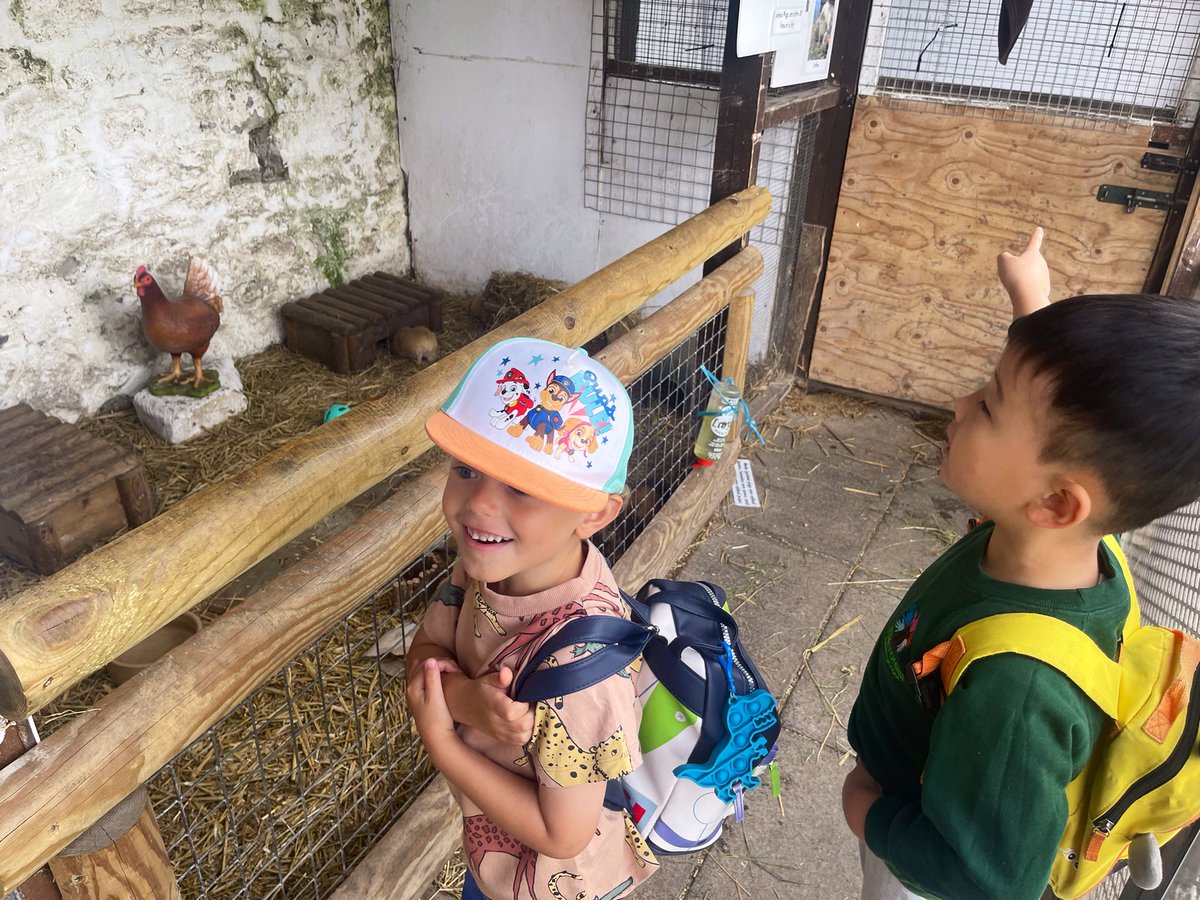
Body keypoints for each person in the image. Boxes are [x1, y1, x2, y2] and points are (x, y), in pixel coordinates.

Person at [842, 227, 1200, 899]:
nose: (959, 402)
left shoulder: (1018, 692)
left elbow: (990, 879)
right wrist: (1031, 300)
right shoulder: (1083, 545)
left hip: (924, 858)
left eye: (987, 404)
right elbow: (1058, 406)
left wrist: (867, 810)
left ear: (1056, 503)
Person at [406, 336, 657, 900]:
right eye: (467, 470)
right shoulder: (485, 563)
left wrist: (441, 741)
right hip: (494, 859)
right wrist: (466, 701)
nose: (479, 506)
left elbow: (562, 834)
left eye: (522, 487)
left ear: (592, 512)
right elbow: (423, 653)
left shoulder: (582, 668)